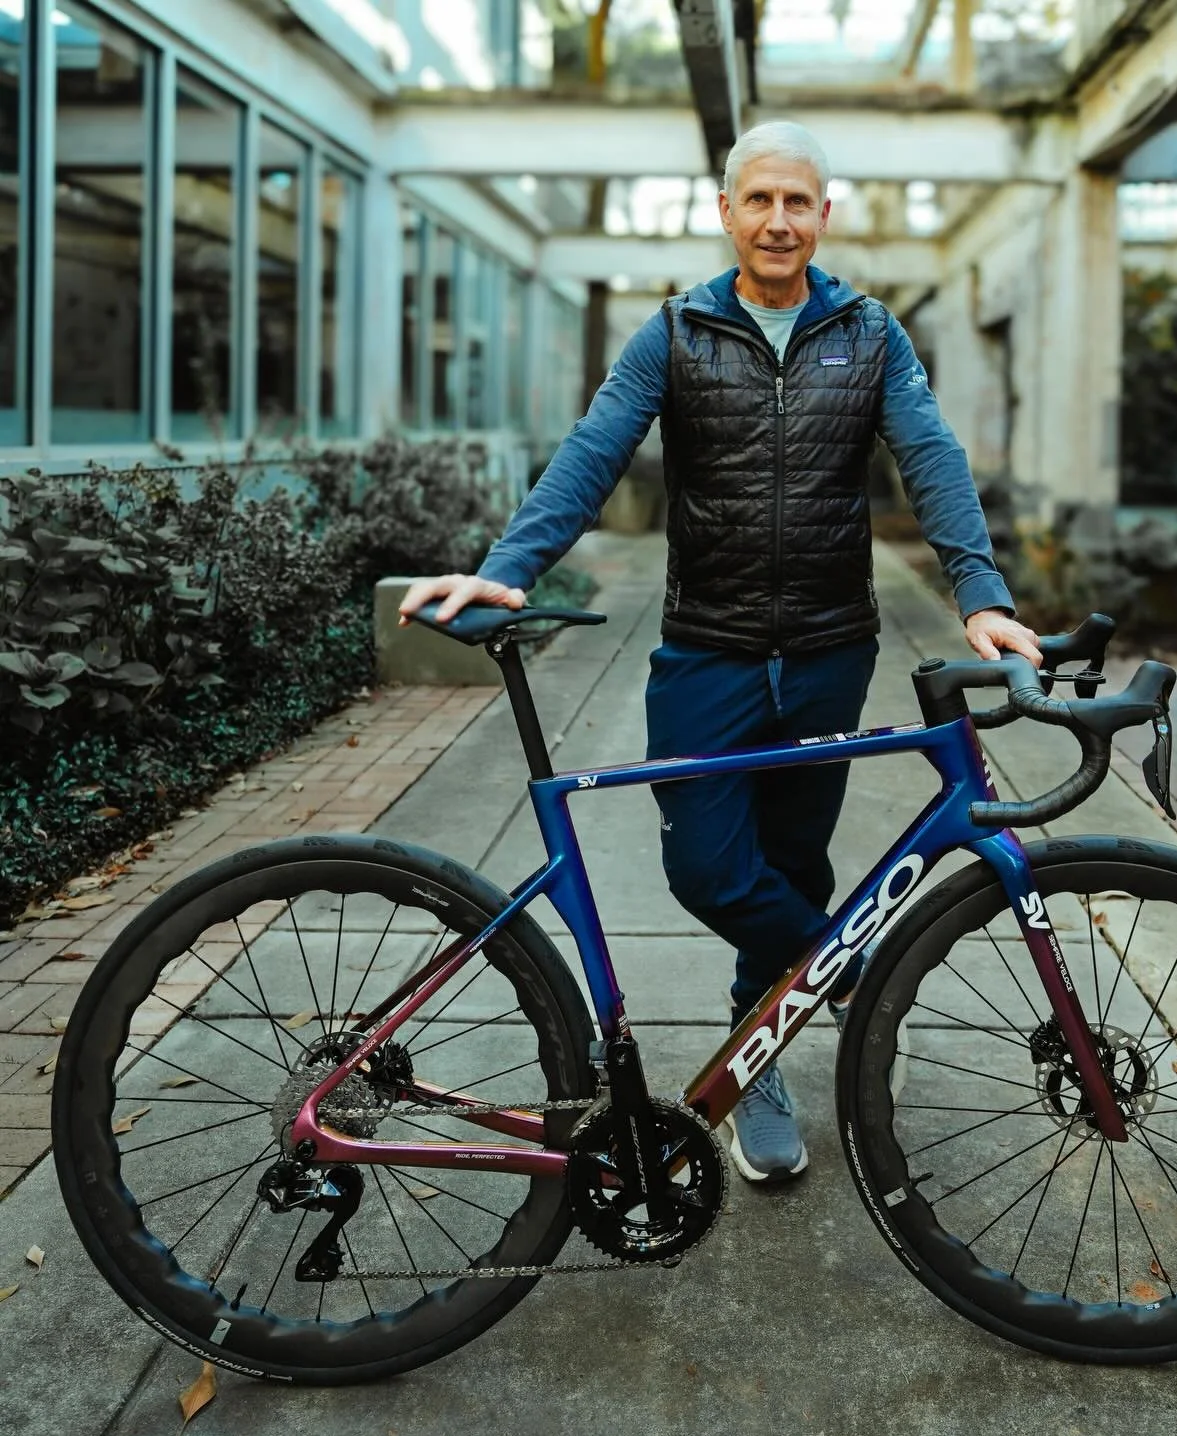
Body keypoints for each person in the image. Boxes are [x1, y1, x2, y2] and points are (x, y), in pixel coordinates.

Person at [399, 121, 1041, 1185]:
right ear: (727, 210)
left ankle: (759, 1064)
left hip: (830, 652)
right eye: (760, 201)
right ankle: (852, 967)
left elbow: (930, 454)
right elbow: (595, 449)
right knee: (708, 865)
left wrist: (980, 595)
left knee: (792, 864)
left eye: (799, 203)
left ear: (824, 217)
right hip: (709, 652)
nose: (779, 220)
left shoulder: (871, 334)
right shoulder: (677, 332)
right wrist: (509, 565)